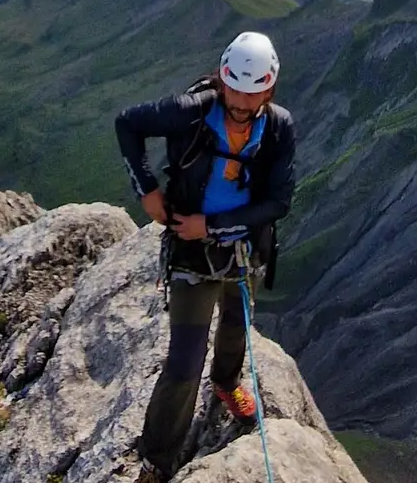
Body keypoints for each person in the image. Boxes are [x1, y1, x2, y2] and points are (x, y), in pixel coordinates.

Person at [116, 30, 298, 482]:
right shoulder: (191, 112)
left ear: (268, 91)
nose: (241, 101)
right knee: (184, 362)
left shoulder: (278, 127)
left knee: (236, 326)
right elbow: (128, 124)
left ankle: (227, 383)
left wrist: (211, 225)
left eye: (252, 93)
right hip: (192, 253)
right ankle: (156, 461)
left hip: (241, 247)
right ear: (221, 79)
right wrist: (147, 190)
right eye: (234, 89)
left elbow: (279, 201)